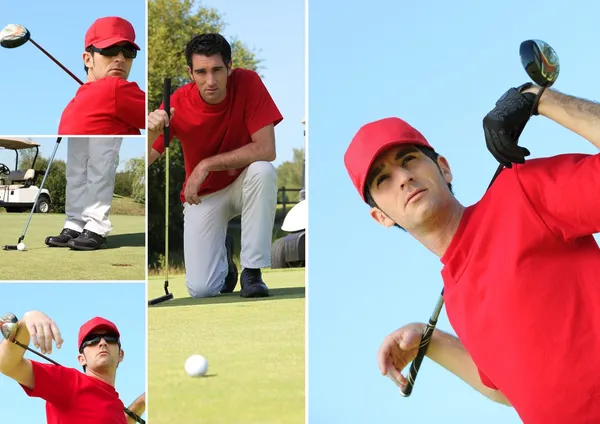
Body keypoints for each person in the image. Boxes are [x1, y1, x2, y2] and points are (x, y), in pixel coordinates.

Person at [343, 84, 600, 423]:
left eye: (409, 160)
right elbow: (507, 390)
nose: (403, 177)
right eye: (383, 180)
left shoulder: (519, 193)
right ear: (381, 217)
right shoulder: (455, 298)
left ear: (444, 168)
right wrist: (427, 339)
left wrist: (540, 99)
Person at [147, 33, 283, 298]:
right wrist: (150, 135)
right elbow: (145, 161)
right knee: (202, 289)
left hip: (246, 183)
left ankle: (252, 272)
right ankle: (225, 258)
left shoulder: (248, 82)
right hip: (203, 197)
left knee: (263, 170)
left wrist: (206, 165)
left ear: (230, 67)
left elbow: (267, 150)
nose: (210, 81)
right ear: (190, 72)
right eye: (201, 72)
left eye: (217, 70)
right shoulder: (175, 103)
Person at [47, 16, 145, 251]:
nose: (120, 58)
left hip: (105, 137)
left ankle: (96, 228)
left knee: (99, 169)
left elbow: (152, 114)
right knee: (76, 172)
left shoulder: (118, 87)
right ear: (88, 58)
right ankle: (75, 223)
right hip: (80, 132)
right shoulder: (81, 95)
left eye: (128, 51)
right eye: (110, 50)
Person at [0, 312, 145, 423]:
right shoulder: (69, 382)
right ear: (81, 359)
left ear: (121, 355)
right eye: (92, 340)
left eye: (110, 338)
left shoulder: (116, 405)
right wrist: (27, 319)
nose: (102, 342)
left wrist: (141, 402)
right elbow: (8, 365)